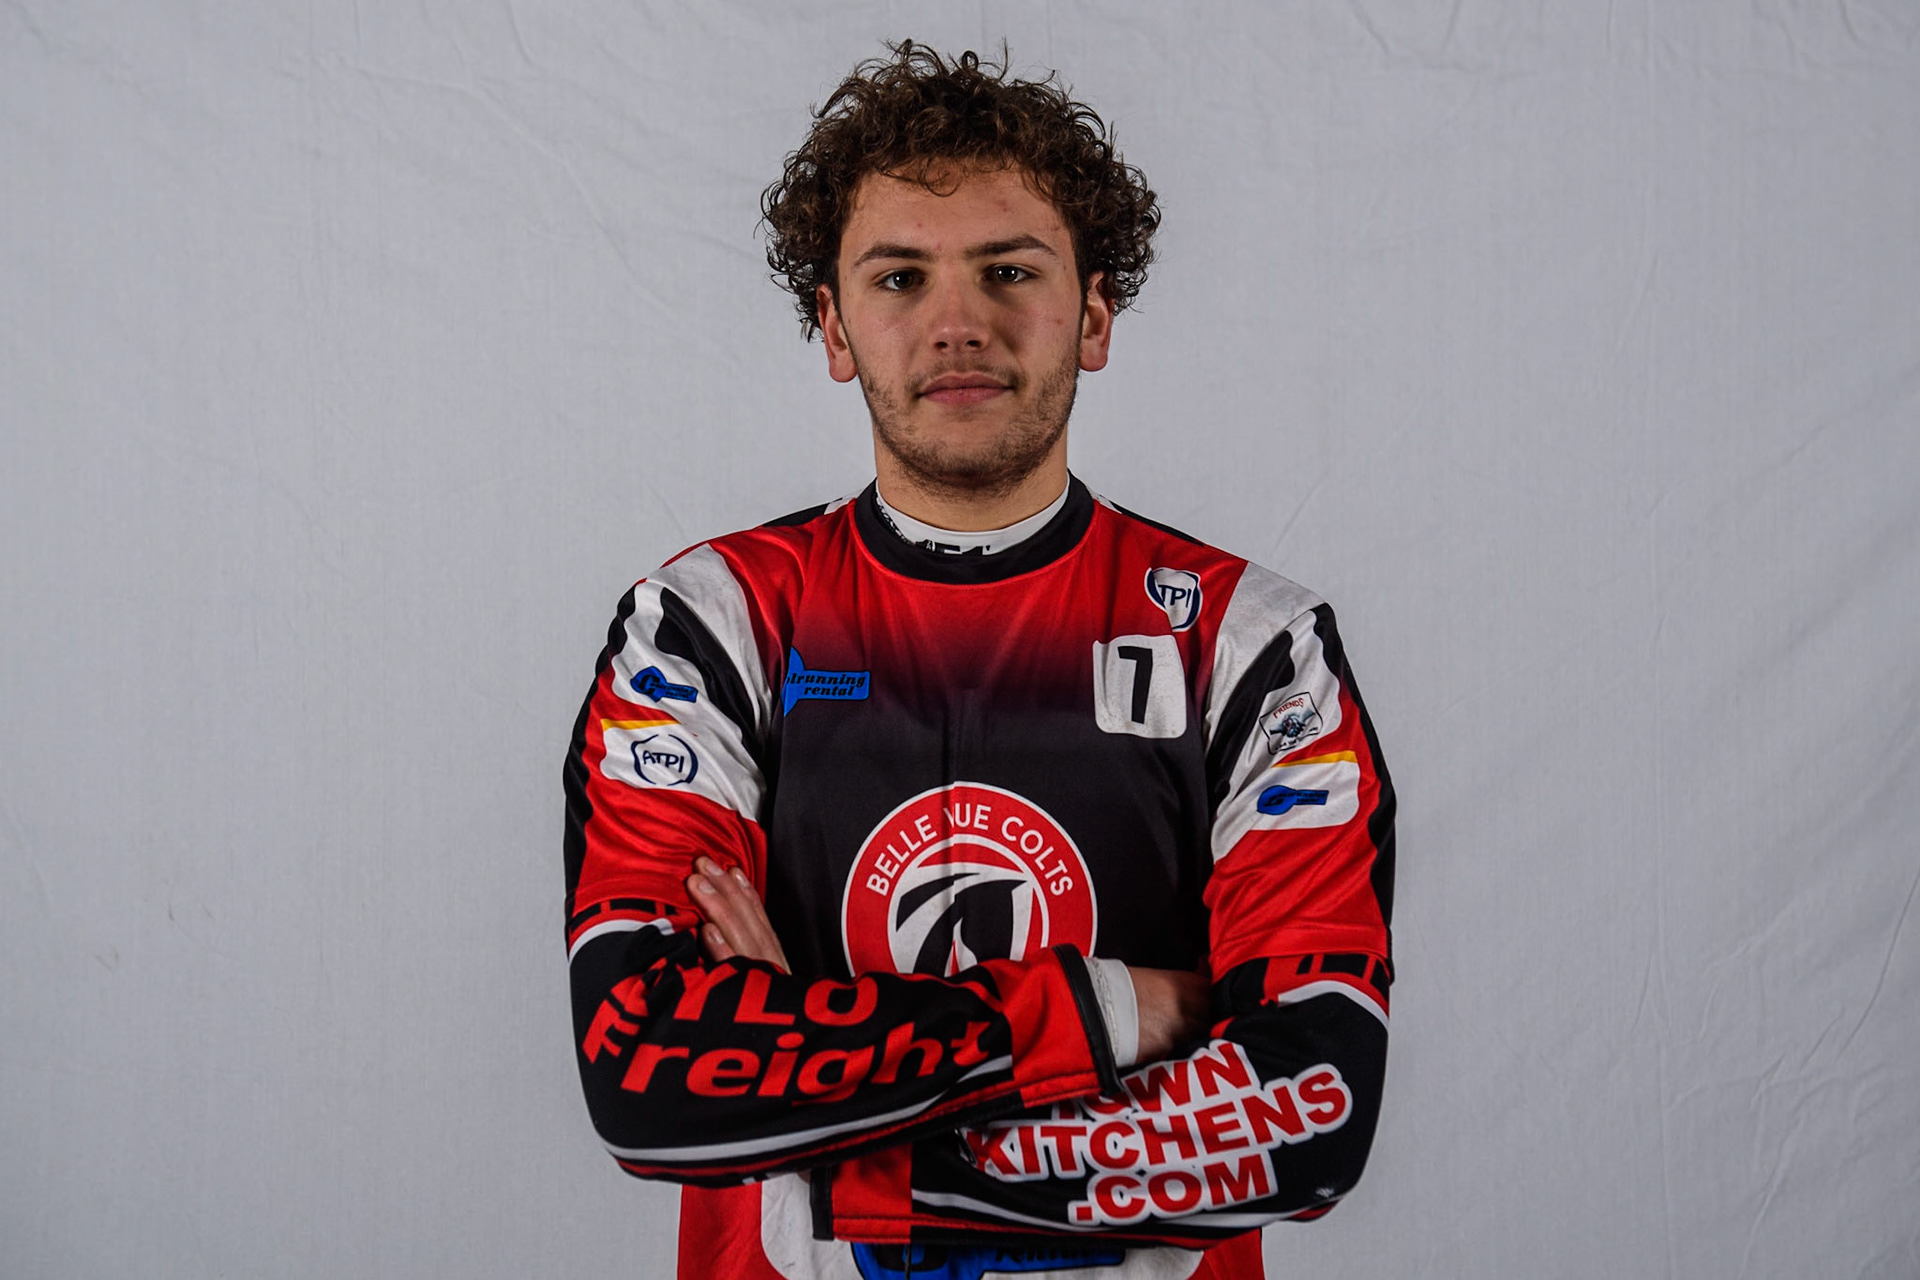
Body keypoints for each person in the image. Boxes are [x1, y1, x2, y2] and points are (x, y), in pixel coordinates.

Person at [562, 41, 1396, 1280]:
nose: (958, 322)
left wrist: (830, 1143)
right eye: (900, 277)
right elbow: (647, 1075)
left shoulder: (1252, 645)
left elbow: (1311, 1111)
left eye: (1010, 269)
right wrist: (1119, 1015)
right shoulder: (707, 624)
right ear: (835, 328)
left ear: (1094, 314)